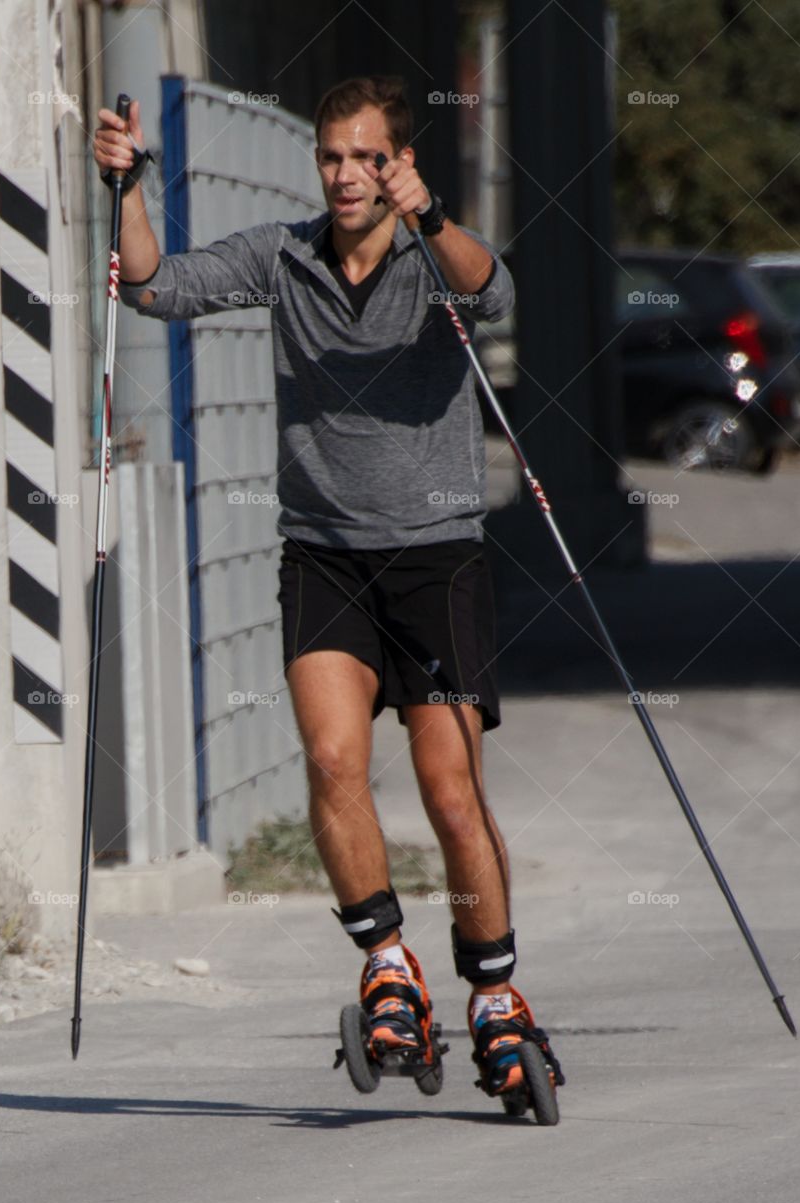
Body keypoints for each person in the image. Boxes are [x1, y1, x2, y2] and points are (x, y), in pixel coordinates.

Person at [93, 74, 558, 1099]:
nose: (346, 175)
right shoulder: (284, 255)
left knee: (448, 789)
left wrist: (427, 210)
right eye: (332, 157)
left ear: (396, 161)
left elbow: (495, 292)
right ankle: (389, 962)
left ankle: (493, 993)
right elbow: (154, 285)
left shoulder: (430, 260)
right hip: (324, 554)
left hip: (436, 555)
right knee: (333, 757)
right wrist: (128, 186)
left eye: (366, 157)